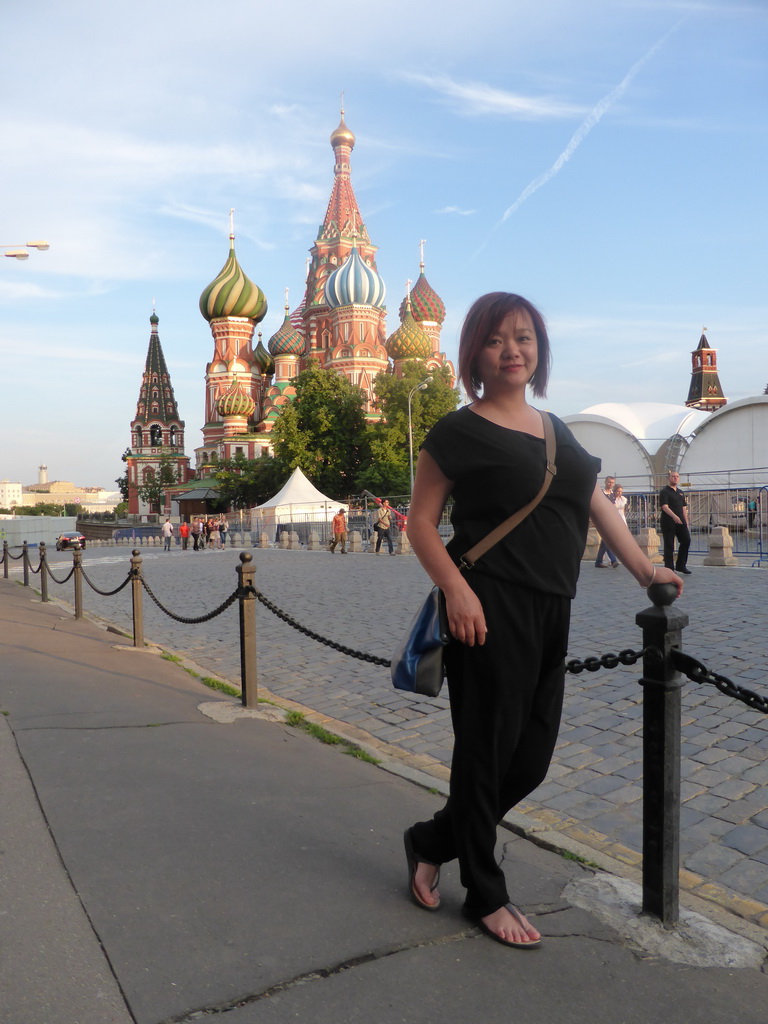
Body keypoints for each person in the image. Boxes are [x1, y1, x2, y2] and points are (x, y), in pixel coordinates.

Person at [404, 292, 683, 950]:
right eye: (498, 339)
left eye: (524, 338)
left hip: (553, 608)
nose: (512, 350)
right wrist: (456, 591)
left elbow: (597, 507)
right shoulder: (456, 432)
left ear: (539, 349)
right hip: (486, 608)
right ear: (474, 351)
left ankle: (431, 840)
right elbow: (419, 523)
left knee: (528, 758)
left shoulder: (557, 432)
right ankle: (485, 892)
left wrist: (648, 571)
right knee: (484, 751)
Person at [659, 470, 691, 575]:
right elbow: (664, 506)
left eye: (677, 476)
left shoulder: (680, 492)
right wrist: (674, 516)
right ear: (669, 478)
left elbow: (684, 508)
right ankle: (669, 568)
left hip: (680, 521)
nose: (675, 478)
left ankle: (681, 565)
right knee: (669, 544)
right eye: (673, 476)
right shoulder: (664, 491)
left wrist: (686, 521)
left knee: (686, 540)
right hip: (668, 521)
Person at [594, 476, 619, 568]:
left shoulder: (612, 494)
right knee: (607, 539)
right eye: (609, 482)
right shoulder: (601, 493)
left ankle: (598, 561)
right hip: (602, 518)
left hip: (610, 518)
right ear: (605, 482)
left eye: (612, 483)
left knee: (605, 541)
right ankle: (613, 560)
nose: (610, 484)